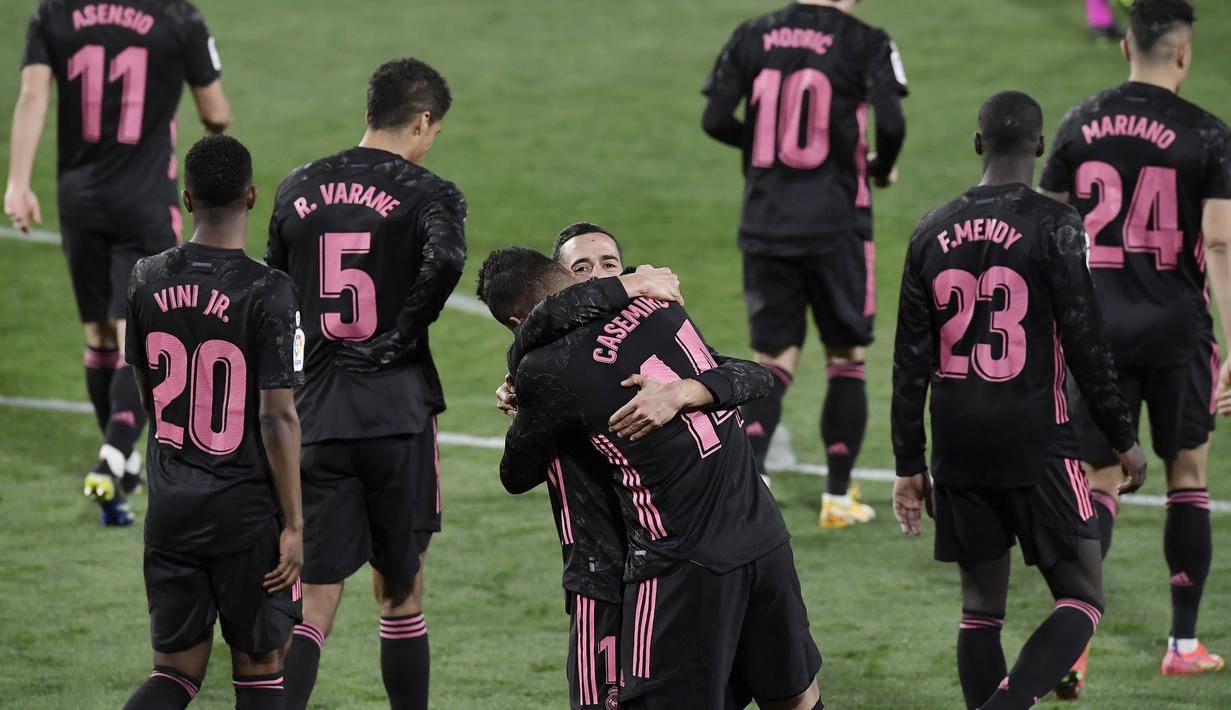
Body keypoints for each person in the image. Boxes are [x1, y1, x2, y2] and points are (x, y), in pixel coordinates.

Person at [478, 247, 823, 710]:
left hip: (678, 562)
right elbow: (749, 375)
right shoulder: (657, 303)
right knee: (795, 696)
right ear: (565, 276)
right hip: (761, 533)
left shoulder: (547, 368)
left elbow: (515, 473)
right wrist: (690, 386)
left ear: (518, 323)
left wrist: (523, 388)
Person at [891, 91, 1147, 710]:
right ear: (1038, 147)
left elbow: (909, 365)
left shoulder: (929, 228)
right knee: (1083, 597)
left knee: (980, 609)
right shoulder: (1056, 225)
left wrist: (908, 464)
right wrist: (1122, 437)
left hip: (956, 441)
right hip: (1037, 438)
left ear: (978, 143)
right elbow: (1087, 344)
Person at [1039, 0, 1231, 682]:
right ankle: (1181, 647)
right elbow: (1216, 241)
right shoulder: (1207, 134)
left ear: (1125, 47)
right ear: (1182, 54)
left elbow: (1048, 231)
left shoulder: (1080, 120)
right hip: (1177, 332)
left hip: (1095, 335)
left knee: (1097, 484)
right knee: (1186, 479)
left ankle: (1074, 646)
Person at [265, 57, 465, 710]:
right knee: (401, 594)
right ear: (421, 121)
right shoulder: (430, 191)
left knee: (315, 599)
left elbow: (272, 290)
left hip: (315, 417)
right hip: (397, 416)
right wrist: (400, 336)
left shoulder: (296, 187)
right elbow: (448, 260)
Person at [7, 0, 232, 525]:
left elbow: (33, 96)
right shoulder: (178, 18)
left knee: (100, 336)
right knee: (144, 336)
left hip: (78, 198)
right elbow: (217, 112)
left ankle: (120, 456)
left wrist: (18, 182)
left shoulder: (54, 14)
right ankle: (113, 457)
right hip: (145, 200)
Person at [701, 0, 908, 527]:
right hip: (837, 224)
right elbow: (893, 121)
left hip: (766, 221)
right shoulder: (866, 40)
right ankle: (838, 498)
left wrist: (762, 146)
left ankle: (751, 484)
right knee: (847, 356)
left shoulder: (753, 33)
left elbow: (715, 118)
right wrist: (877, 166)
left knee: (772, 357)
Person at [122, 134, 303, 710]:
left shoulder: (146, 277)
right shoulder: (269, 290)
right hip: (245, 516)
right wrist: (295, 524)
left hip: (171, 507)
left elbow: (146, 388)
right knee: (259, 669)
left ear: (187, 198)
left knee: (174, 673)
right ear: (251, 197)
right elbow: (277, 420)